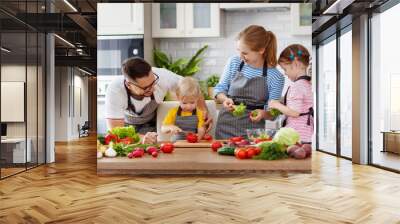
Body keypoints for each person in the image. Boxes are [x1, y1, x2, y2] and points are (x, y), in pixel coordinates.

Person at [105, 57, 212, 144]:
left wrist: (204, 111)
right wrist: (141, 139)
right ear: (129, 85)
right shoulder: (115, 90)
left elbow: (192, 88)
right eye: (146, 88)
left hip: (152, 125)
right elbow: (115, 130)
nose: (153, 88)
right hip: (127, 128)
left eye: (153, 82)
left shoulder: (163, 76)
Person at [214, 25, 285, 139]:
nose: (241, 56)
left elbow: (274, 112)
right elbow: (219, 89)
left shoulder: (275, 76)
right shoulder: (234, 62)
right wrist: (225, 99)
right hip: (225, 127)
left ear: (261, 50)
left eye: (245, 53)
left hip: (252, 133)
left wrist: (263, 114)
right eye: (239, 51)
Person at [268, 44, 313, 144]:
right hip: (306, 135)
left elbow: (295, 112)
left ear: (296, 64)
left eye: (285, 69)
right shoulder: (307, 84)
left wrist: (276, 104)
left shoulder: (297, 86)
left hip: (297, 136)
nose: (285, 73)